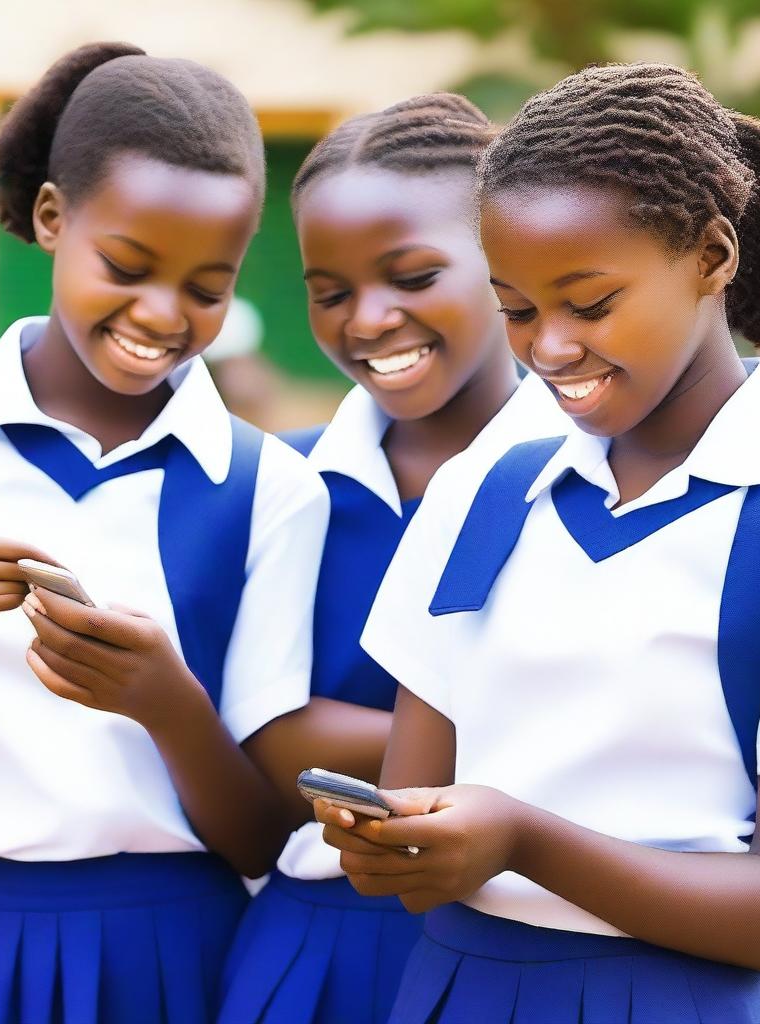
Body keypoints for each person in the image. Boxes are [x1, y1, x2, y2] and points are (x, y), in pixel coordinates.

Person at [317, 63, 760, 1023]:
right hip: (455, 988)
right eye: (517, 309)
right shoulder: (482, 489)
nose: (548, 348)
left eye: (589, 304)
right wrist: (395, 841)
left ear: (713, 256)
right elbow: (414, 801)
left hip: (671, 999)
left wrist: (522, 839)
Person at [0, 42, 328, 1023]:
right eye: (125, 265)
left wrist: (165, 701)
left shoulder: (271, 491)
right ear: (51, 218)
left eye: (207, 287)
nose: (161, 313)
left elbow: (261, 838)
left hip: (184, 959)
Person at [218, 94, 570, 1024]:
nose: (368, 320)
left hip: (532, 941)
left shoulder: (597, 475)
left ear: (507, 264)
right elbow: (271, 739)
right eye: (329, 292)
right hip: (317, 937)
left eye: (412, 276)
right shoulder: (281, 480)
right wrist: (537, 743)